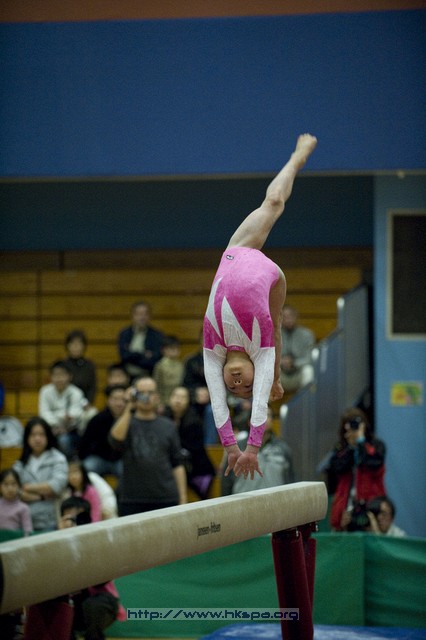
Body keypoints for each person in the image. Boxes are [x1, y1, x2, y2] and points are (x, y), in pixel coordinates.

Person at [203, 134, 317, 480]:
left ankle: (296, 158)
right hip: (272, 277)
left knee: (272, 202)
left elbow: (217, 404)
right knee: (276, 326)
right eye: (247, 387)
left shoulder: (212, 351)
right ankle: (297, 158)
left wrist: (231, 449)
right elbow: (260, 407)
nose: (238, 384)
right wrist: (252, 449)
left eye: (234, 388)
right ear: (256, 374)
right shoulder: (261, 352)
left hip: (237, 250)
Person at [109, 376, 187, 515]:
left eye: (150, 392)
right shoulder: (126, 423)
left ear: (157, 397)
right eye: (141, 393)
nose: (146, 397)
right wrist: (129, 406)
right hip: (132, 499)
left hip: (165, 497)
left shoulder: (168, 426)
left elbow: (177, 464)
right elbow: (115, 440)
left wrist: (183, 497)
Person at [326, 408, 386, 532]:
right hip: (346, 508)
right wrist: (351, 447)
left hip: (371, 505)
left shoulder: (376, 445)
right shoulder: (341, 449)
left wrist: (361, 441)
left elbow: (373, 464)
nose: (352, 430)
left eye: (355, 425)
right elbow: (338, 468)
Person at [221, 407, 295, 495]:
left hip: (275, 500)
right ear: (249, 422)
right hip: (244, 500)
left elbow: (291, 479)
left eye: (267, 415)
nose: (264, 419)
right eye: (259, 415)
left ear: (272, 421)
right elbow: (226, 481)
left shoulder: (282, 448)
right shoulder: (237, 448)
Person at [13, 417, 68, 531]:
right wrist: (41, 496)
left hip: (52, 521)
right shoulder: (20, 463)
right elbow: (14, 490)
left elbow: (56, 486)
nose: (37, 439)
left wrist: (27, 488)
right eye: (33, 435)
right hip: (24, 522)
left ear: (48, 436)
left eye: (41, 434)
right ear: (27, 438)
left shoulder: (58, 458)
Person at [164, 386, 216, 499]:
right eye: (175, 396)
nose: (178, 400)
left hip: (197, 470)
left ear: (188, 401)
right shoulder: (164, 419)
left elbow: (192, 450)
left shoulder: (194, 422)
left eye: (182, 397)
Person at [38, 360, 86, 458]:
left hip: (71, 431)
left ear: (70, 376)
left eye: (62, 375)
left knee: (64, 440)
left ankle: (69, 462)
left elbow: (75, 414)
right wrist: (60, 418)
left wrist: (55, 415)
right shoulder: (45, 391)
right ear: (51, 377)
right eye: (56, 375)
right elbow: (43, 414)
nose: (59, 378)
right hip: (50, 429)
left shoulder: (76, 392)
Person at [78, 384, 126, 478]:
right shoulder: (98, 419)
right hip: (100, 458)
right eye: (115, 399)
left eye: (123, 400)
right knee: (87, 467)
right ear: (108, 400)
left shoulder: (132, 420)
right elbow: (85, 441)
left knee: (128, 471)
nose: (119, 403)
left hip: (121, 460)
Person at [182, 329, 217, 444]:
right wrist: (195, 393)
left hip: (215, 401)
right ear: (200, 341)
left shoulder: (222, 361)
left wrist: (210, 394)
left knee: (211, 411)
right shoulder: (190, 361)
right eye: (204, 338)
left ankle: (210, 448)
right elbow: (184, 385)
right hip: (193, 401)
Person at [117, 300, 164, 380]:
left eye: (145, 314)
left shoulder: (157, 335)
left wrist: (132, 355)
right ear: (133, 316)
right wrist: (143, 355)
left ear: (149, 316)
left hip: (149, 376)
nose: (142, 317)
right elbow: (124, 356)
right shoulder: (124, 334)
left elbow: (155, 360)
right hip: (128, 377)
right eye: (139, 314)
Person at [280, 304, 315, 392]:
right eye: (284, 317)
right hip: (280, 374)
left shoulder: (307, 334)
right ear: (279, 318)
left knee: (309, 370)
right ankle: (265, 401)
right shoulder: (273, 335)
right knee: (266, 371)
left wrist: (294, 363)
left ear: (296, 317)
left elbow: (310, 358)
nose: (288, 320)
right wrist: (280, 362)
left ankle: (307, 400)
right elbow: (268, 358)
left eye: (290, 316)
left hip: (298, 373)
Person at [64, 329, 97, 406]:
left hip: (84, 405)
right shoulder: (63, 365)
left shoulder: (89, 365)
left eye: (79, 343)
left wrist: (88, 402)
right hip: (65, 404)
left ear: (84, 346)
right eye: (72, 343)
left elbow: (92, 387)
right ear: (67, 346)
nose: (76, 346)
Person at [153, 335, 185, 408]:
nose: (175, 350)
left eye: (177, 348)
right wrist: (159, 403)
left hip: (179, 400)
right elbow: (157, 386)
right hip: (164, 401)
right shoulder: (160, 366)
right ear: (164, 350)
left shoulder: (181, 365)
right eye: (171, 348)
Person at [0, 468, 33, 535]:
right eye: (5, 484)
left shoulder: (23, 508)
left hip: (17, 541)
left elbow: (28, 532)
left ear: (19, 486)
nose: (10, 488)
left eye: (13, 484)